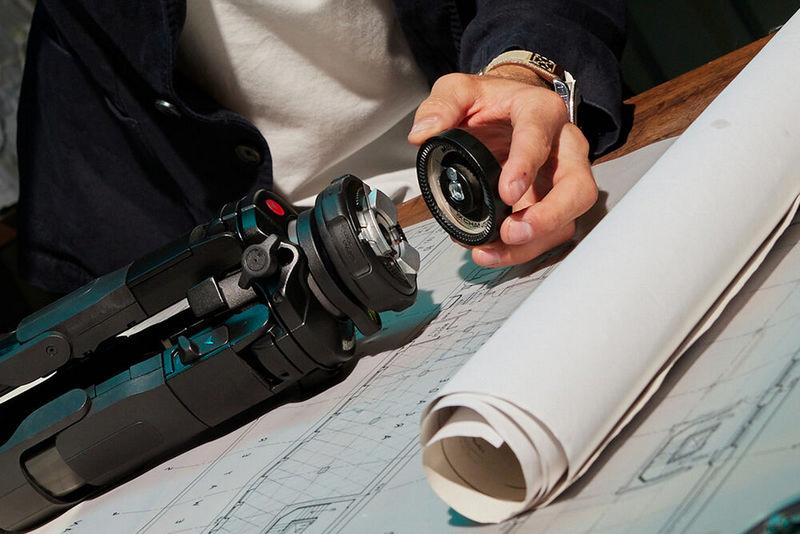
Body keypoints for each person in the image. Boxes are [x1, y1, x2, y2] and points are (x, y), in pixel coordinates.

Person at [16, 0, 626, 295]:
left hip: (507, 184)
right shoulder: (74, 32)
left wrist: (526, 69)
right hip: (295, 277)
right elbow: (93, 252)